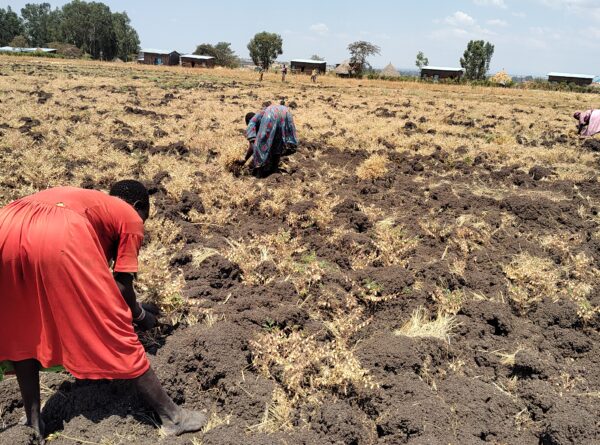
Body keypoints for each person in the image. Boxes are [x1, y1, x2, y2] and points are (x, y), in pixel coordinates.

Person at [0, 181, 207, 443]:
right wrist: (140, 317)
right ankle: (173, 417)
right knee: (110, 322)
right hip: (59, 231)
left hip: (8, 220)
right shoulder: (131, 216)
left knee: (22, 326)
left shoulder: (93, 203)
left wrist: (138, 307)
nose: (142, 222)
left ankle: (33, 422)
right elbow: (120, 289)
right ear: (138, 207)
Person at [236, 104, 298, 178]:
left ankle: (259, 173)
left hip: (271, 114)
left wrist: (244, 159)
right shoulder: (261, 115)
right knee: (277, 141)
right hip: (285, 111)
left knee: (259, 144)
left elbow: (253, 146)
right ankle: (274, 169)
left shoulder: (252, 122)